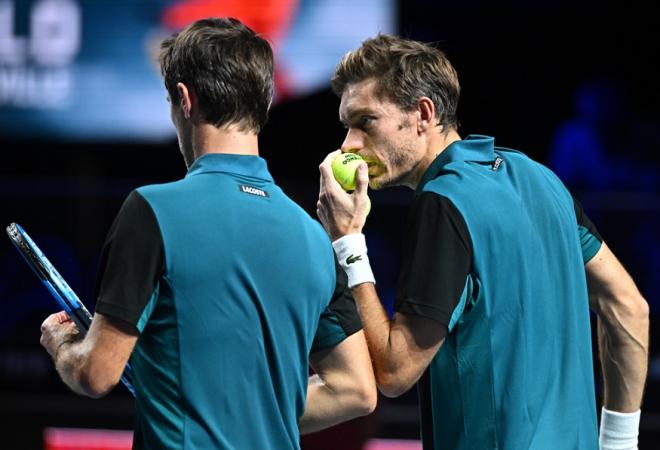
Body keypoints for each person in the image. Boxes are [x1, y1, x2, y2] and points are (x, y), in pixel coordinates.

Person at [39, 17, 376, 449]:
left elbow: (96, 373)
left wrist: (64, 342)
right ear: (263, 103)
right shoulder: (314, 237)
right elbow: (356, 390)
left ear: (184, 98)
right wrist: (253, 415)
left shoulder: (151, 211)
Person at [316, 34, 649, 450]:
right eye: (346, 127)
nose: (349, 145)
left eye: (365, 122)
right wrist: (619, 442)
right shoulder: (541, 179)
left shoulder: (442, 202)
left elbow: (394, 372)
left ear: (423, 113)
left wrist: (347, 241)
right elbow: (629, 308)